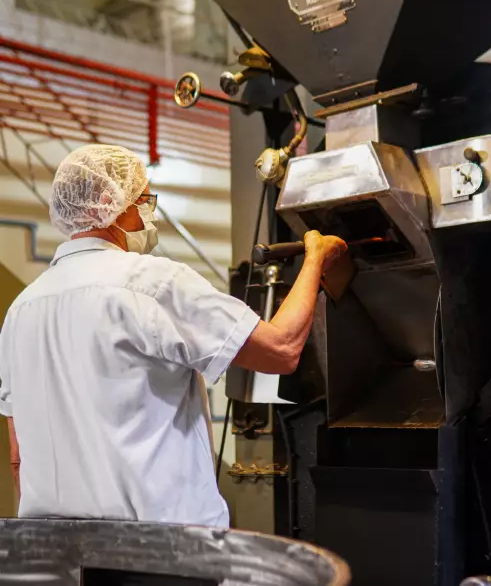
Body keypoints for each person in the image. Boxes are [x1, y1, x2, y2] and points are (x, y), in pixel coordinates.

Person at [0, 144, 346, 527]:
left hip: (53, 551)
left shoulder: (21, 310)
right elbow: (280, 350)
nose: (150, 213)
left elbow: (18, 456)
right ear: (109, 203)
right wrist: (315, 260)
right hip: (158, 547)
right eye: (144, 200)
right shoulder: (152, 282)